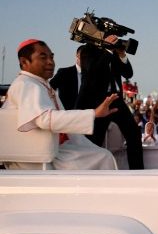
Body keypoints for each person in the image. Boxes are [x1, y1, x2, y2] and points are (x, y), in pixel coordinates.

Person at [2, 39, 117, 170]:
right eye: (43, 57)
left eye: (51, 57)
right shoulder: (26, 84)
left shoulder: (40, 84)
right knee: (103, 157)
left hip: (50, 147)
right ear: (24, 62)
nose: (50, 62)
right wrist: (94, 113)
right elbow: (45, 119)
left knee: (101, 154)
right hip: (36, 155)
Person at [75, 35, 144, 169]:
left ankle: (137, 172)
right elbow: (93, 71)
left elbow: (128, 74)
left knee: (134, 133)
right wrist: (107, 50)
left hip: (116, 100)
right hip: (96, 103)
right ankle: (90, 175)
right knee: (95, 140)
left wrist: (122, 54)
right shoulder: (87, 50)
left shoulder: (112, 51)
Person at [49, 45, 84, 109]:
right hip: (67, 114)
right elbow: (49, 89)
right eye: (83, 55)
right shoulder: (64, 73)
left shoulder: (94, 76)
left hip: (88, 115)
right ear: (77, 55)